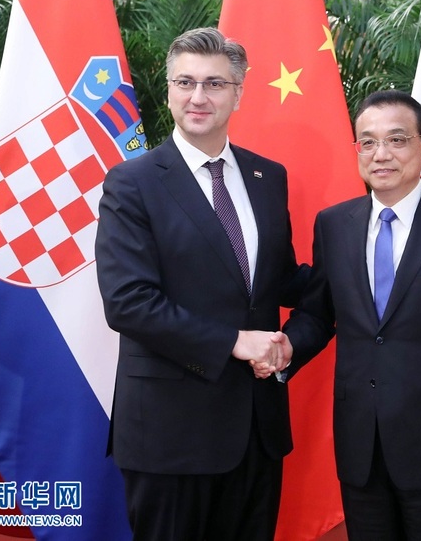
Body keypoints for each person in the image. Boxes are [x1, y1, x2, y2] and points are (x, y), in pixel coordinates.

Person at [95, 27, 308, 541]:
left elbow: (276, 281)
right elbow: (128, 303)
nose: (198, 97)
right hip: (171, 435)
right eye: (185, 82)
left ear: (238, 92)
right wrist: (235, 342)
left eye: (214, 84)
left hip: (258, 431)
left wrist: (365, 262)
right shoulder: (133, 182)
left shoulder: (268, 176)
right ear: (167, 89)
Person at [271, 90, 421, 540]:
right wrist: (285, 349)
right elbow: (320, 315)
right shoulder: (334, 224)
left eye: (397, 140)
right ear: (357, 151)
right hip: (361, 445)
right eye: (368, 142)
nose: (381, 154)